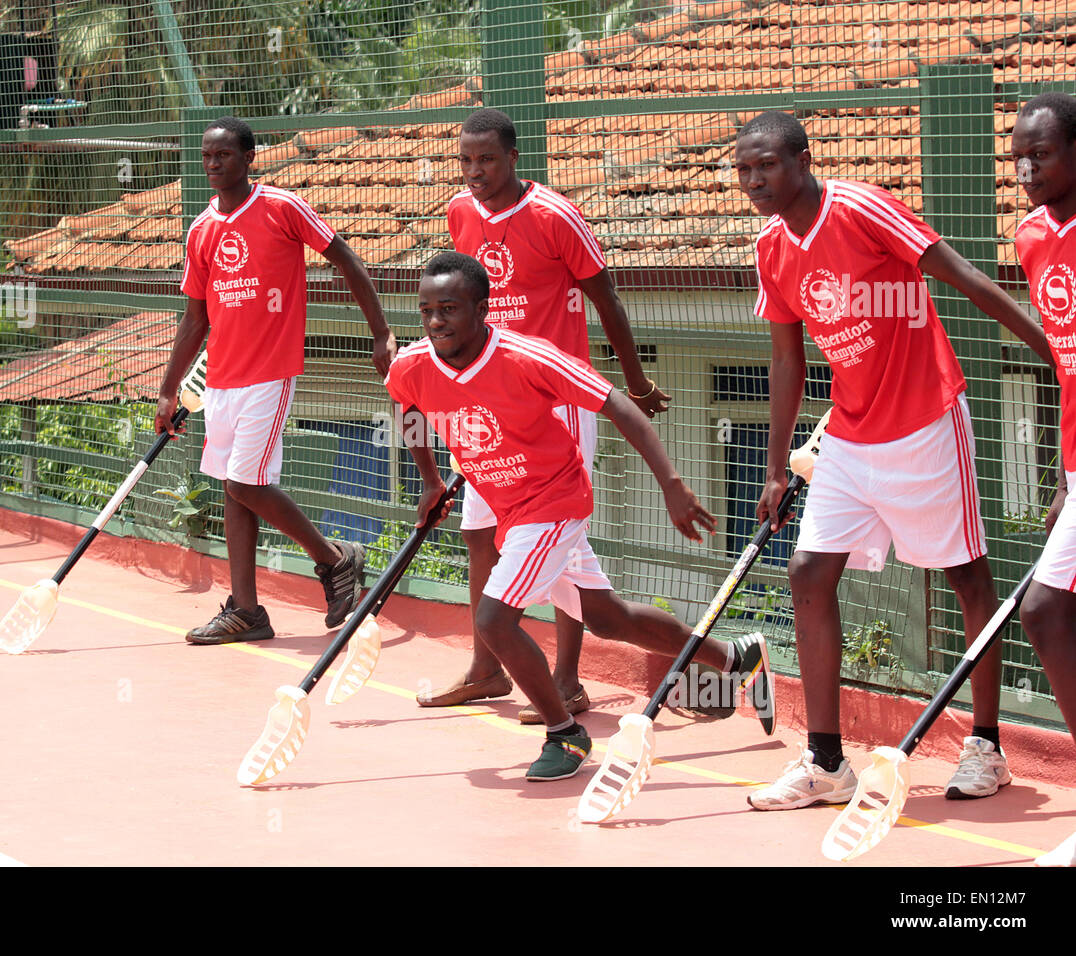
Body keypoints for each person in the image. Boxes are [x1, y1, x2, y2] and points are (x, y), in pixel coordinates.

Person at [736, 111, 1055, 810]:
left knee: (968, 580)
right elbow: (786, 356)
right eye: (744, 170)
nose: (754, 181)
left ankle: (988, 747)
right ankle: (825, 762)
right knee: (808, 573)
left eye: (766, 166)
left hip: (925, 419)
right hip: (849, 434)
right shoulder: (770, 247)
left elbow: (962, 275)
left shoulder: (859, 207)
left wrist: (1054, 355)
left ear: (802, 161)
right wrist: (773, 468)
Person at [387, 251, 775, 781]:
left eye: (449, 309)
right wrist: (430, 479)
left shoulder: (528, 357)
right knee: (609, 618)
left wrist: (672, 484)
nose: (436, 322)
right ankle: (735, 657)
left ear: (483, 308)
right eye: (426, 310)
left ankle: (565, 736)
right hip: (512, 510)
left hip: (552, 503)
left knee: (493, 620)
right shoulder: (414, 365)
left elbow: (619, 407)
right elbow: (405, 407)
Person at [417, 107, 671, 723]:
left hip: (555, 401)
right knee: (480, 532)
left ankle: (567, 679)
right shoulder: (460, 213)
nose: (476, 172)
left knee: (564, 544)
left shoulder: (555, 216)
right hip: (486, 403)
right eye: (467, 160)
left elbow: (604, 295)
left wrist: (633, 380)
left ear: (513, 158)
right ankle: (487, 670)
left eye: (487, 160)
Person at [155, 117, 395, 645]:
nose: (214, 164)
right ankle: (246, 610)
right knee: (233, 491)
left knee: (246, 483)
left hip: (270, 373)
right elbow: (195, 319)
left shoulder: (281, 208)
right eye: (207, 156)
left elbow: (347, 261)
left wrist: (380, 332)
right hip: (220, 380)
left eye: (224, 155)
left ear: (249, 158)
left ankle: (334, 559)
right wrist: (171, 389)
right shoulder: (202, 229)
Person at [1008, 92, 1076, 866]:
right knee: (1049, 612)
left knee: (1048, 609)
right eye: (1018, 156)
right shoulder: (1031, 236)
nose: (1026, 169)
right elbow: (1065, 366)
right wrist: (1064, 471)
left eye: (1044, 153)